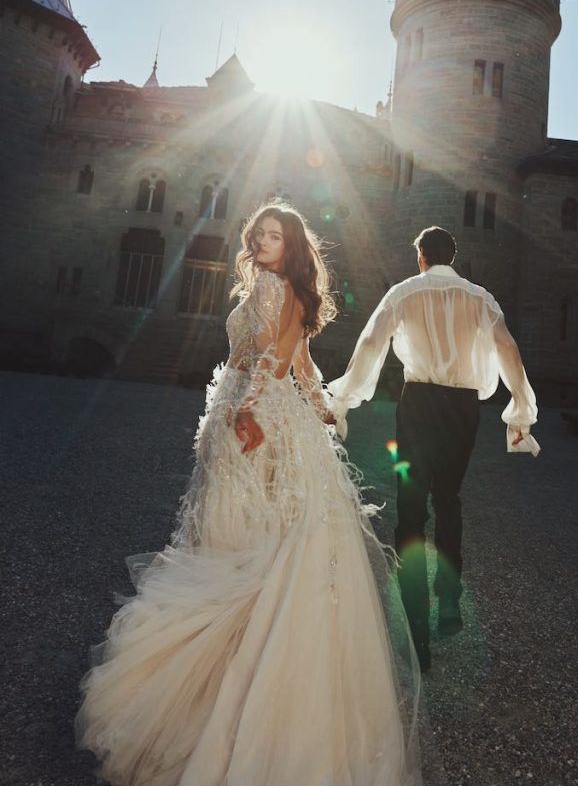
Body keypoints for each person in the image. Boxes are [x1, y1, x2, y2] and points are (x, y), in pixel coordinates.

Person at [76, 203, 421, 786]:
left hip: (250, 412)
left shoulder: (268, 285)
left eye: (274, 236)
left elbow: (274, 358)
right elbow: (301, 361)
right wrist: (320, 407)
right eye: (258, 234)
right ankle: (254, 666)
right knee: (267, 533)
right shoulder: (290, 288)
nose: (263, 242)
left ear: (290, 246)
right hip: (269, 412)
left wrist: (249, 407)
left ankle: (219, 678)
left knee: (232, 534)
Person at [327, 226, 539, 672]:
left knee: (410, 508)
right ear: (453, 257)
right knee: (448, 499)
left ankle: (416, 631)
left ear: (421, 257)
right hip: (463, 409)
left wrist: (344, 398)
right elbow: (509, 350)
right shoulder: (480, 298)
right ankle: (448, 601)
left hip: (418, 405)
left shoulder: (404, 292)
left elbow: (370, 343)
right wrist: (520, 410)